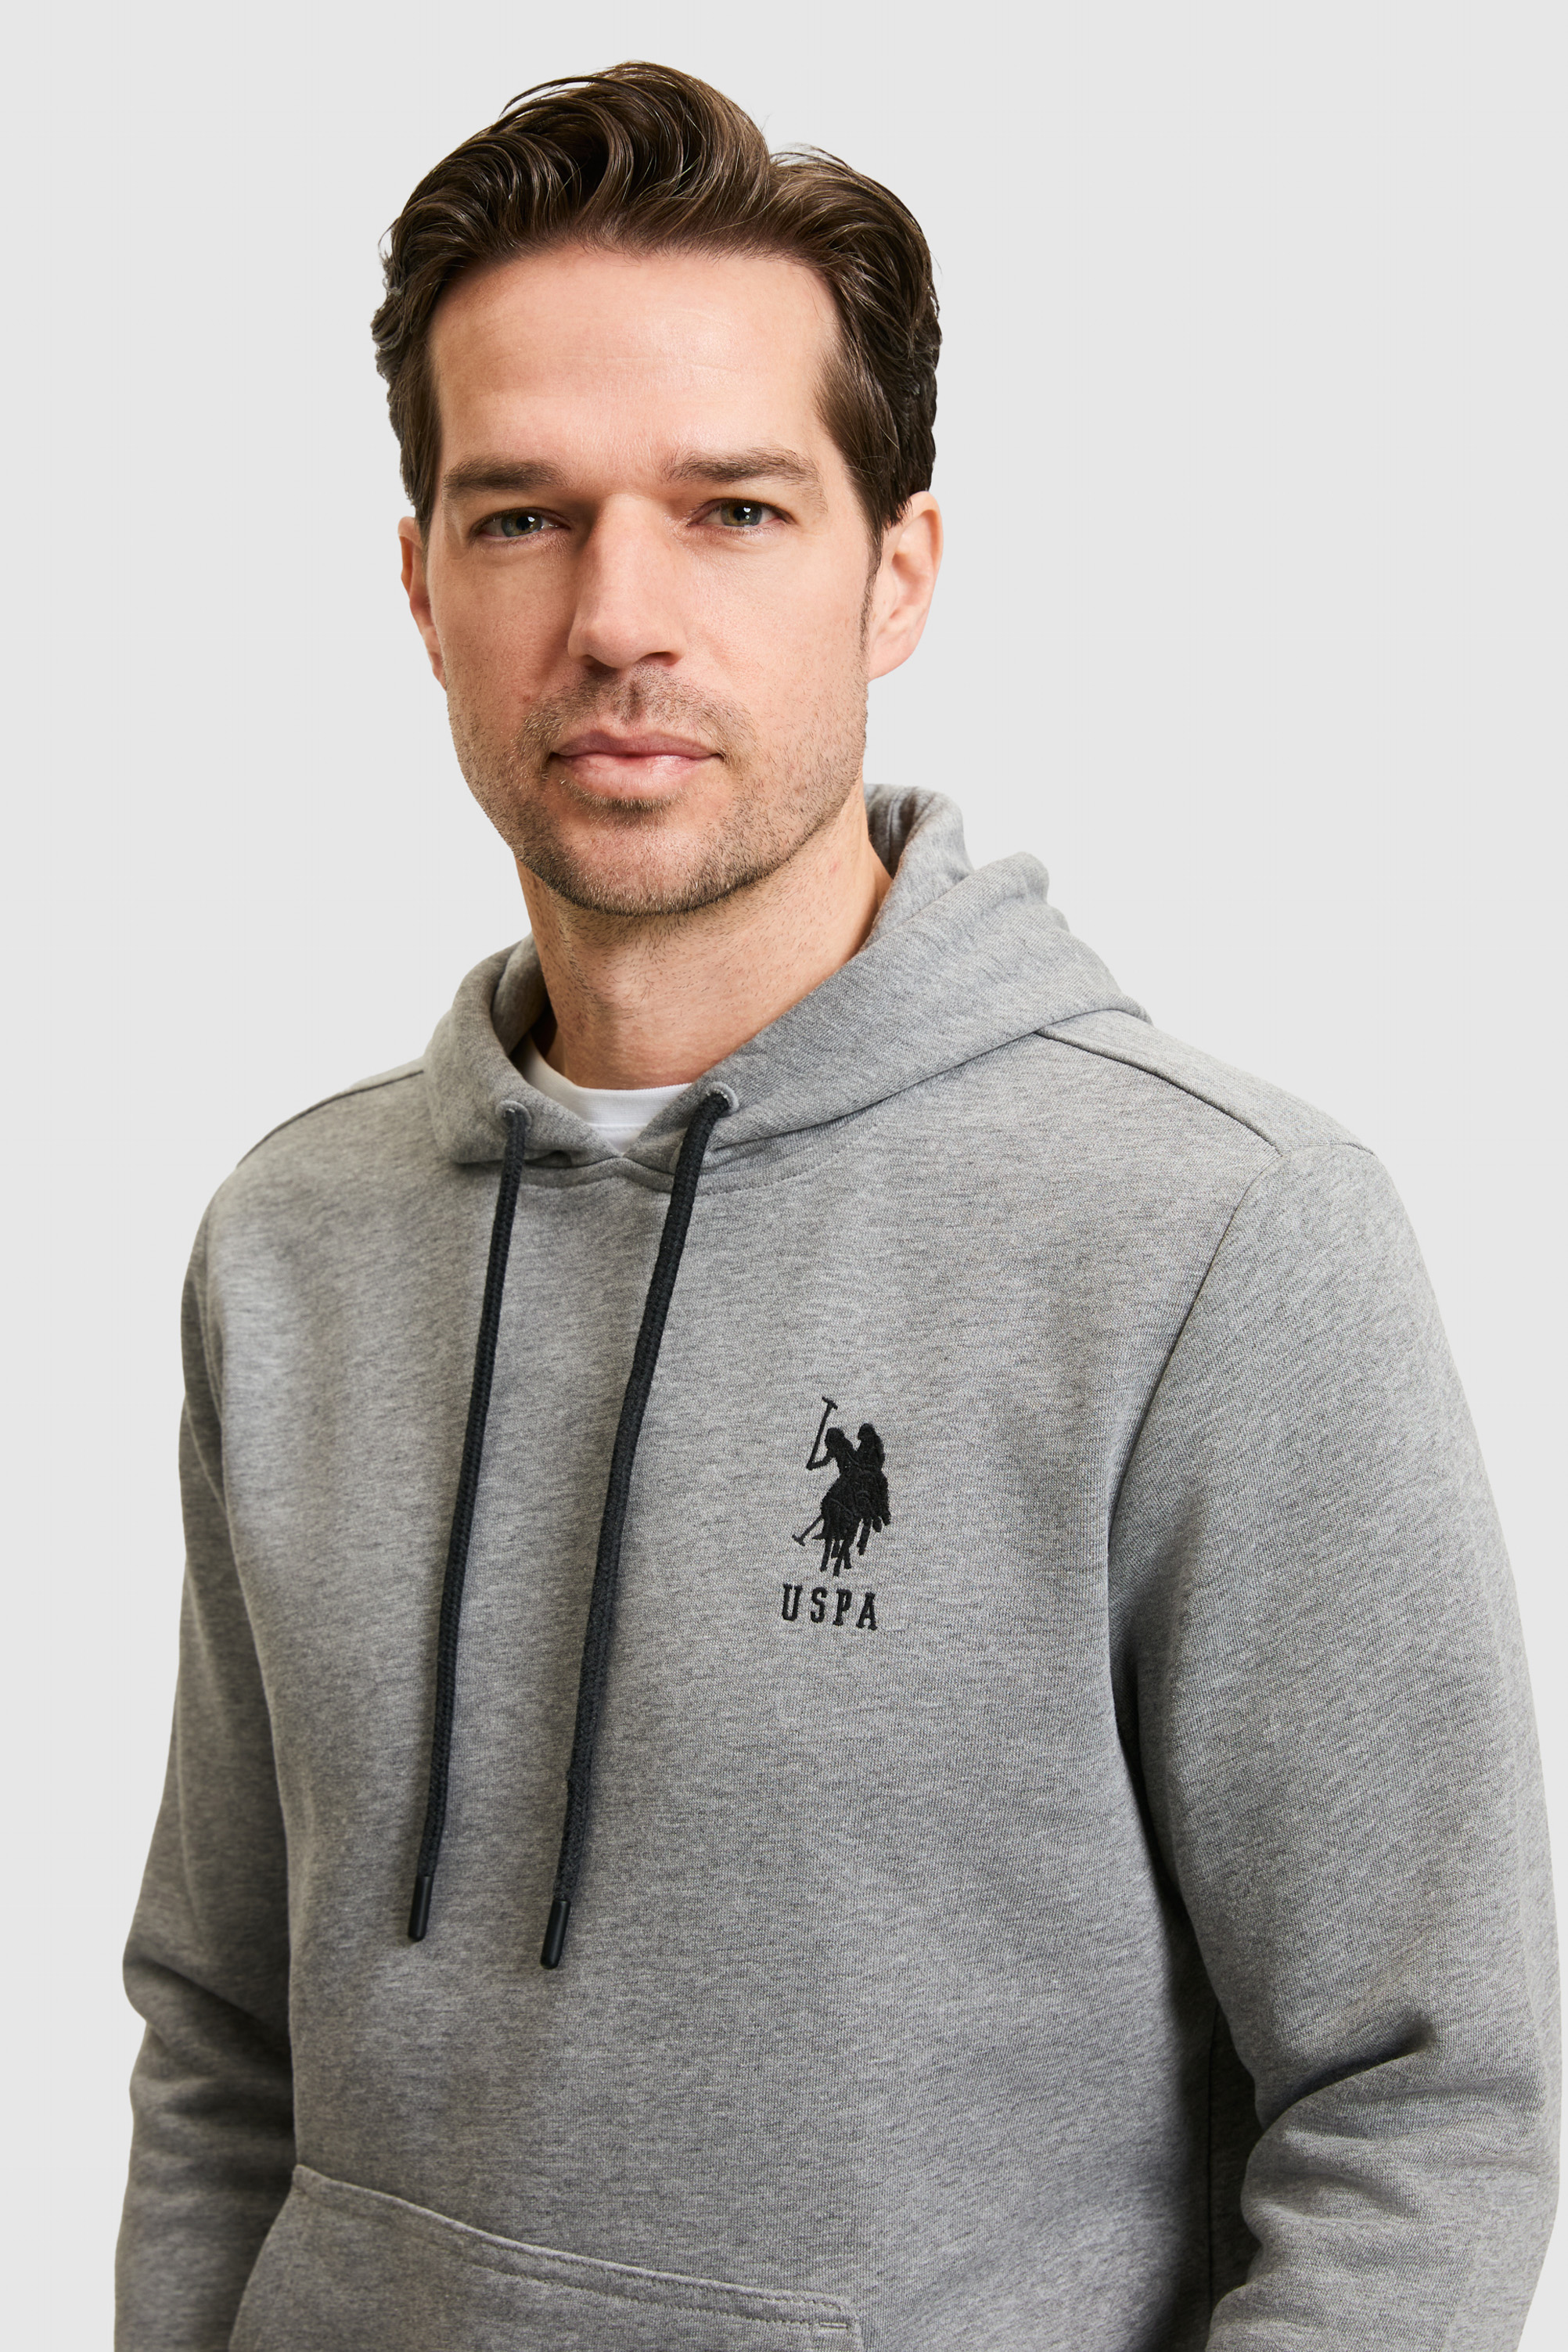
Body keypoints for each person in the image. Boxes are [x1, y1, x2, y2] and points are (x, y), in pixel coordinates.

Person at [116, 60, 1559, 2352]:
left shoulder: (1212, 1237)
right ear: (418, 584)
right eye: (523, 515)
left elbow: (1420, 2111)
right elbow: (223, 2043)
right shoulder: (295, 1240)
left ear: (897, 573)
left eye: (732, 511)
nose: (618, 616)